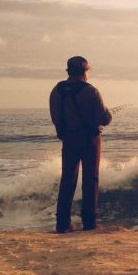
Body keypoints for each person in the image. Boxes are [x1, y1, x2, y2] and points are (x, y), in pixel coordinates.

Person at [49, 56, 112, 233]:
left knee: (67, 180)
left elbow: (55, 117)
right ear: (84, 71)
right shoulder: (90, 91)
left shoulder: (56, 91)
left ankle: (62, 224)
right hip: (89, 140)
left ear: (69, 71)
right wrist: (107, 116)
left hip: (68, 140)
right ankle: (89, 223)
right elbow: (104, 118)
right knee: (90, 180)